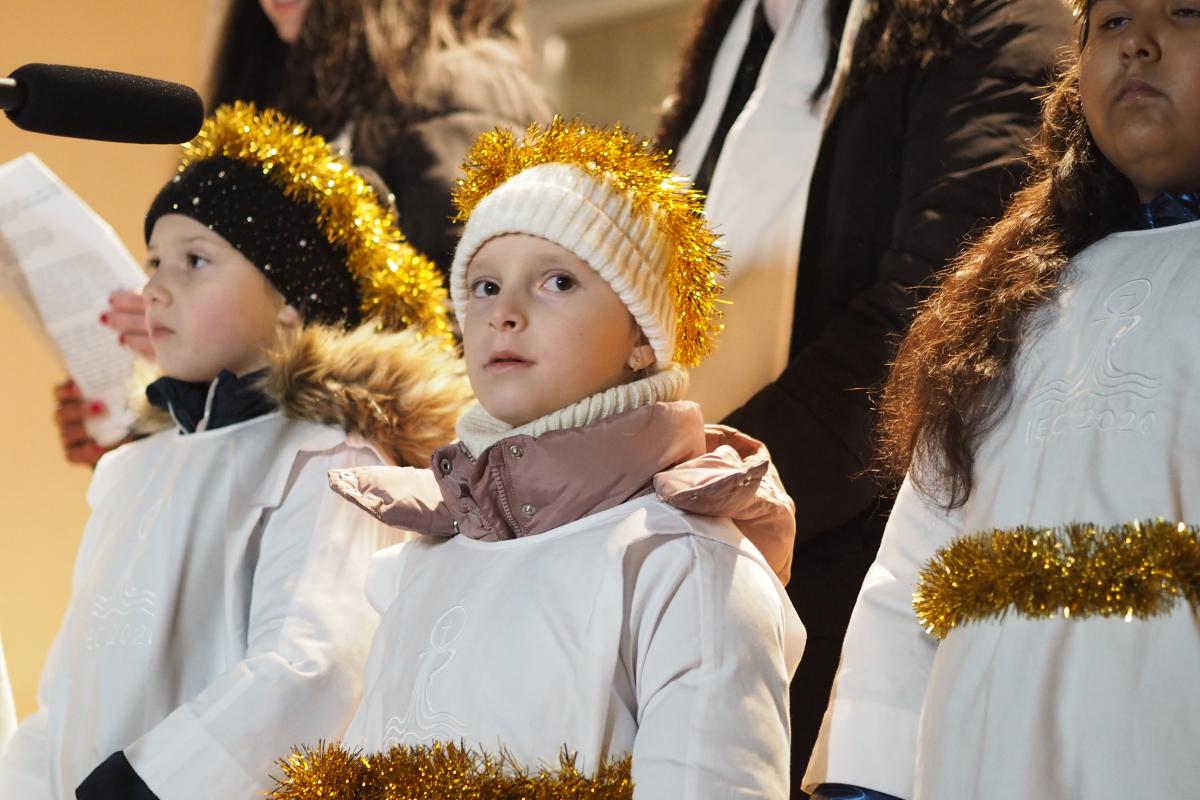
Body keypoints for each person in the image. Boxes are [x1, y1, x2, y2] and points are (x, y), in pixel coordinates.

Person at [269, 118, 804, 799]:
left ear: (643, 338)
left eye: (557, 281)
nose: (505, 313)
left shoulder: (686, 568)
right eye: (485, 287)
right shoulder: (423, 560)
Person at [0, 103, 471, 800]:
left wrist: (145, 784)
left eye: (195, 261)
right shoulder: (133, 467)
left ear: (290, 300)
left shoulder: (329, 461)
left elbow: (313, 668)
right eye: (154, 261)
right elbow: (72, 685)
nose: (155, 287)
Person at [656, 0, 1074, 778]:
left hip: (844, 573)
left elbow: (933, 311)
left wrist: (690, 489)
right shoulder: (742, 32)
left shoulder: (981, 18)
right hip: (688, 564)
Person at [803, 0, 1200, 796]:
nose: (1138, 44)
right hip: (973, 750)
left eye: (1186, 13)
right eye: (1112, 21)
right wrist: (864, 780)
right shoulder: (1008, 301)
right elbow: (911, 571)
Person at [54, 0, 551, 467]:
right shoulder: (299, 93)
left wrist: (212, 332)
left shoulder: (460, 92)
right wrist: (154, 414)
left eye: (194, 262)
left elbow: (476, 340)